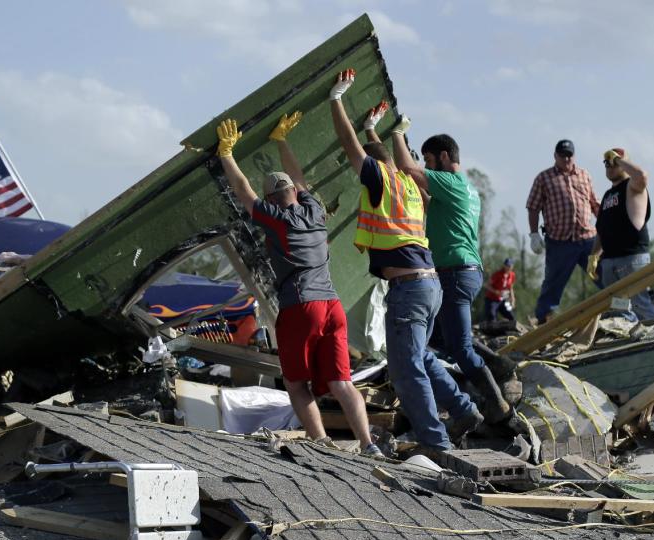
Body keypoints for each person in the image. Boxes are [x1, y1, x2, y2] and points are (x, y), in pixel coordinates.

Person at [329, 68, 482, 455]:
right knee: (422, 356)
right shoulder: (408, 185)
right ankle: (463, 409)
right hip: (429, 286)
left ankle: (436, 442)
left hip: (409, 290)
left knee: (405, 369)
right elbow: (373, 151)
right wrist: (373, 129)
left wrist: (337, 101)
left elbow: (352, 150)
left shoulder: (379, 179)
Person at [214, 112, 384, 457]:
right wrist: (281, 141)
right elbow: (300, 177)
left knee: (295, 381)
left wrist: (226, 155)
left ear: (273, 199)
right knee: (342, 382)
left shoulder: (276, 218)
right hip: (332, 307)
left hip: (300, 305)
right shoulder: (314, 210)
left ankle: (321, 444)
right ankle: (368, 445)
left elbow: (243, 192)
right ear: (294, 192)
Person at [383, 115, 512, 423]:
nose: (425, 165)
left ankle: (498, 404)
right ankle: (495, 369)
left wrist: (397, 135)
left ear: (443, 157)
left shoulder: (453, 181)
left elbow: (409, 171)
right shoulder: (463, 190)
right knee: (439, 339)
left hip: (454, 273)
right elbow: (425, 198)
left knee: (460, 348)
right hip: (462, 272)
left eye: (429, 160)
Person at [527, 139, 601, 323]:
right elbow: (533, 207)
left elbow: (594, 204)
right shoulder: (544, 178)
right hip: (560, 242)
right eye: (562, 155)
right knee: (553, 284)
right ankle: (544, 321)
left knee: (604, 274)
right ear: (555, 156)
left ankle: (622, 309)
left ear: (574, 155)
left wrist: (610, 226)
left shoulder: (584, 175)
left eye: (569, 155)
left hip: (588, 240)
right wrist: (534, 233)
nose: (566, 159)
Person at [588, 148, 654, 320]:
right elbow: (601, 230)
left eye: (615, 163)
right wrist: (593, 256)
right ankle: (632, 343)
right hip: (610, 262)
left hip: (632, 259)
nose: (610, 166)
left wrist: (618, 159)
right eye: (607, 163)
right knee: (618, 309)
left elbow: (641, 175)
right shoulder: (607, 195)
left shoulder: (633, 187)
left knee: (640, 304)